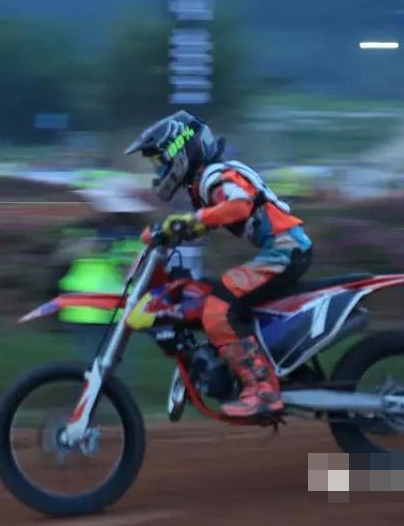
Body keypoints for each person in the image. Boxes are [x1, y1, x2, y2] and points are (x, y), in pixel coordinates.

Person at [122, 110, 313, 418]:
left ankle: (262, 390)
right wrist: (165, 233)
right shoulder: (205, 181)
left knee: (217, 308)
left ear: (179, 152)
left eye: (160, 162)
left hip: (285, 249)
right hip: (284, 248)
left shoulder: (215, 176)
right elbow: (204, 223)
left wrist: (190, 220)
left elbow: (239, 207)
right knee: (206, 291)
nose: (159, 170)